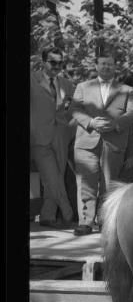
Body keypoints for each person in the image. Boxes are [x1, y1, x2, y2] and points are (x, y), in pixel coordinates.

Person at [70, 52, 133, 236]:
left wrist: (115, 124)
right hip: (86, 141)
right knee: (87, 182)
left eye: (110, 64)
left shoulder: (127, 90)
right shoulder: (83, 87)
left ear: (115, 67)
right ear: (96, 66)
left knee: (109, 184)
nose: (106, 67)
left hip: (114, 142)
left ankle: (105, 221)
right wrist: (91, 123)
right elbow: (74, 109)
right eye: (103, 63)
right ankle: (85, 222)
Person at [30, 47, 76, 228]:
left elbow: (75, 107)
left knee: (57, 174)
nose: (57, 66)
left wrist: (68, 124)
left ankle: (47, 216)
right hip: (38, 137)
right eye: (53, 62)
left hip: (61, 136)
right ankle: (68, 213)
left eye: (60, 62)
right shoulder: (31, 80)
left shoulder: (67, 83)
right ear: (43, 62)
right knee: (52, 176)